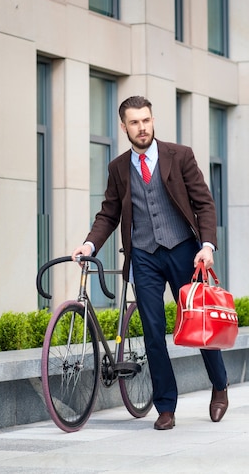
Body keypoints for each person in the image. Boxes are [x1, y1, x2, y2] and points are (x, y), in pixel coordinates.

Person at [71, 95, 228, 430]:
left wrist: (208, 245)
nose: (141, 128)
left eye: (146, 120)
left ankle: (219, 385)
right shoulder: (118, 168)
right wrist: (89, 244)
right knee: (154, 333)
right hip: (143, 256)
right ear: (124, 126)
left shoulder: (180, 156)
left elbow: (204, 203)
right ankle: (166, 407)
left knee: (198, 326)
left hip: (184, 251)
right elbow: (109, 214)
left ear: (152, 120)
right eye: (134, 122)